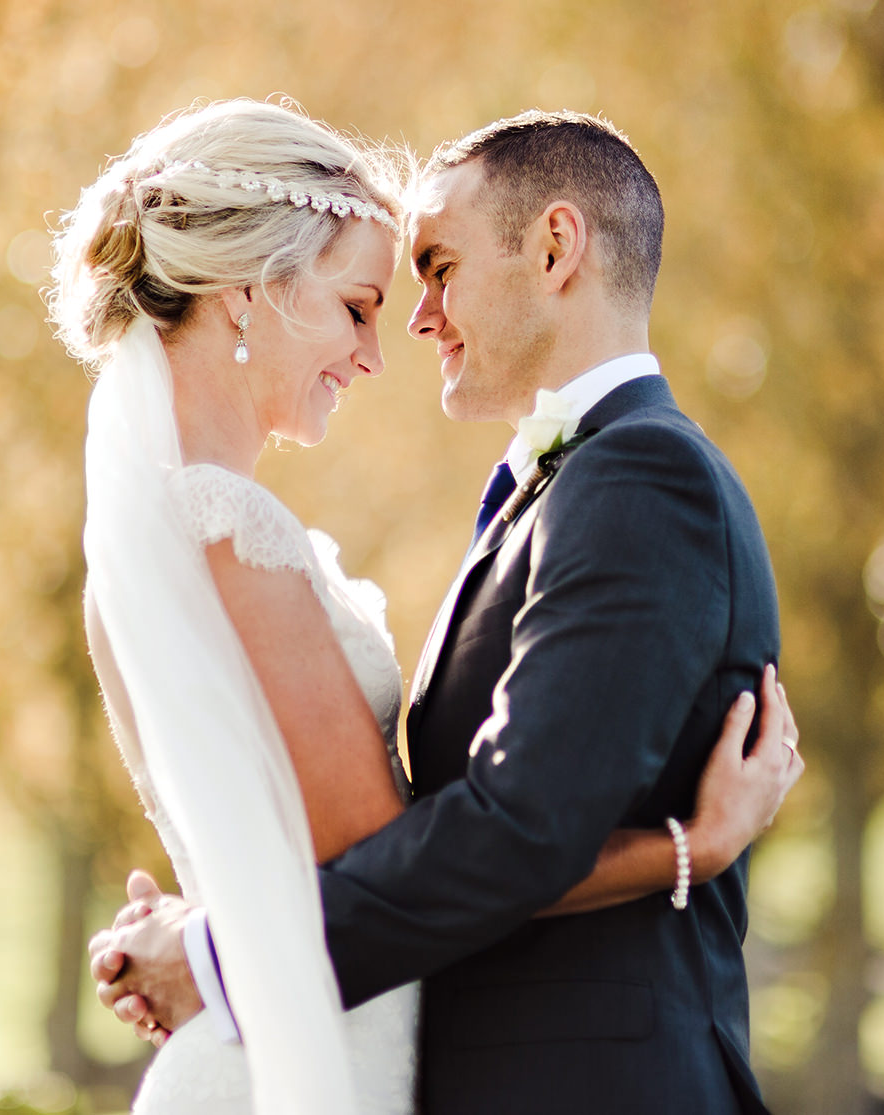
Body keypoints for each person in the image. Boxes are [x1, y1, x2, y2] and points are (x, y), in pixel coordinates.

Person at [54, 100, 800, 1115]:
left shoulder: (636, 475)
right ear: (245, 296)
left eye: (433, 271)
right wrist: (687, 847)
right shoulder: (226, 533)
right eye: (362, 302)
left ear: (554, 250)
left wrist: (216, 945)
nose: (397, 332)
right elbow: (427, 842)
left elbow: (498, 830)